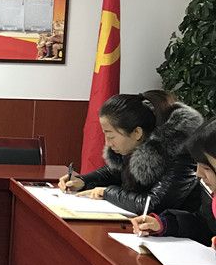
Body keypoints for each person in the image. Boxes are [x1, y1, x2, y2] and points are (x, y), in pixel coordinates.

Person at [59, 90, 203, 214]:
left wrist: (106, 192)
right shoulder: (137, 145)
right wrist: (83, 180)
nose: (107, 143)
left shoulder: (180, 152)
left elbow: (153, 204)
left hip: (178, 233)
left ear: (137, 133)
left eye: (111, 136)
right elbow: (115, 171)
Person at [131, 118, 216, 248]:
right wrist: (163, 224)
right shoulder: (211, 194)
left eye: (206, 168)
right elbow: (204, 225)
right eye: (197, 164)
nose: (198, 173)